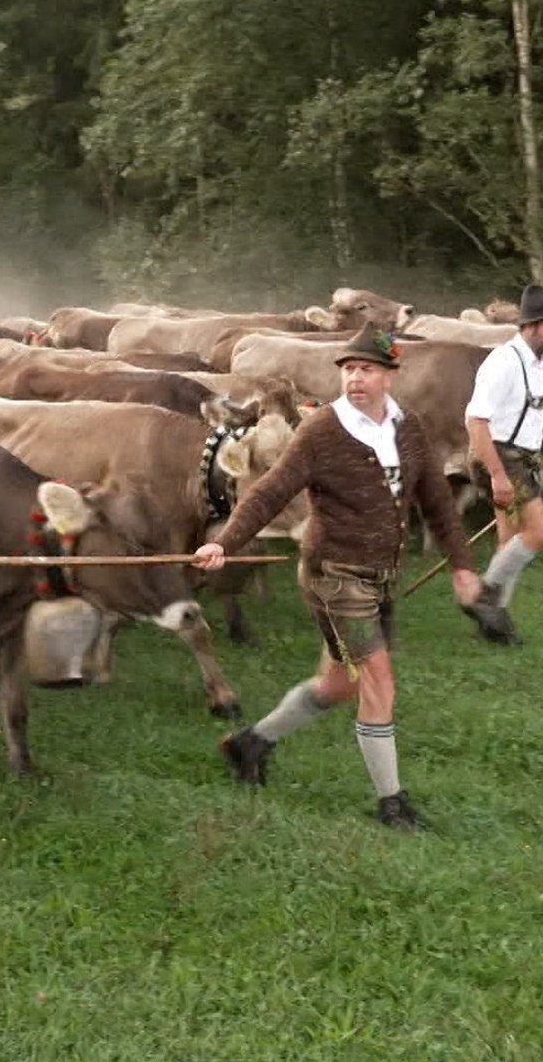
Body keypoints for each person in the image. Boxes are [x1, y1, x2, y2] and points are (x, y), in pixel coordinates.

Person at [193, 327, 481, 829]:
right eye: (348, 369)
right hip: (333, 575)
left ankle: (250, 743)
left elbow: (436, 500)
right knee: (377, 680)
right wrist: (226, 542)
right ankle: (392, 804)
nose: (355, 378)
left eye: (366, 369)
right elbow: (270, 491)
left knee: (338, 683)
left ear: (391, 375)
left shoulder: (407, 428)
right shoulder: (321, 430)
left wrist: (460, 564)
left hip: (380, 576)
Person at [461, 283, 543, 645]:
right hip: (496, 457)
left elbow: (530, 417)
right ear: (530, 325)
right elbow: (476, 422)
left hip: (523, 458)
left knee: (509, 541)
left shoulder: (541, 364)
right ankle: (483, 596)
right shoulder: (503, 362)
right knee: (542, 531)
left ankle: (494, 626)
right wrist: (497, 475)